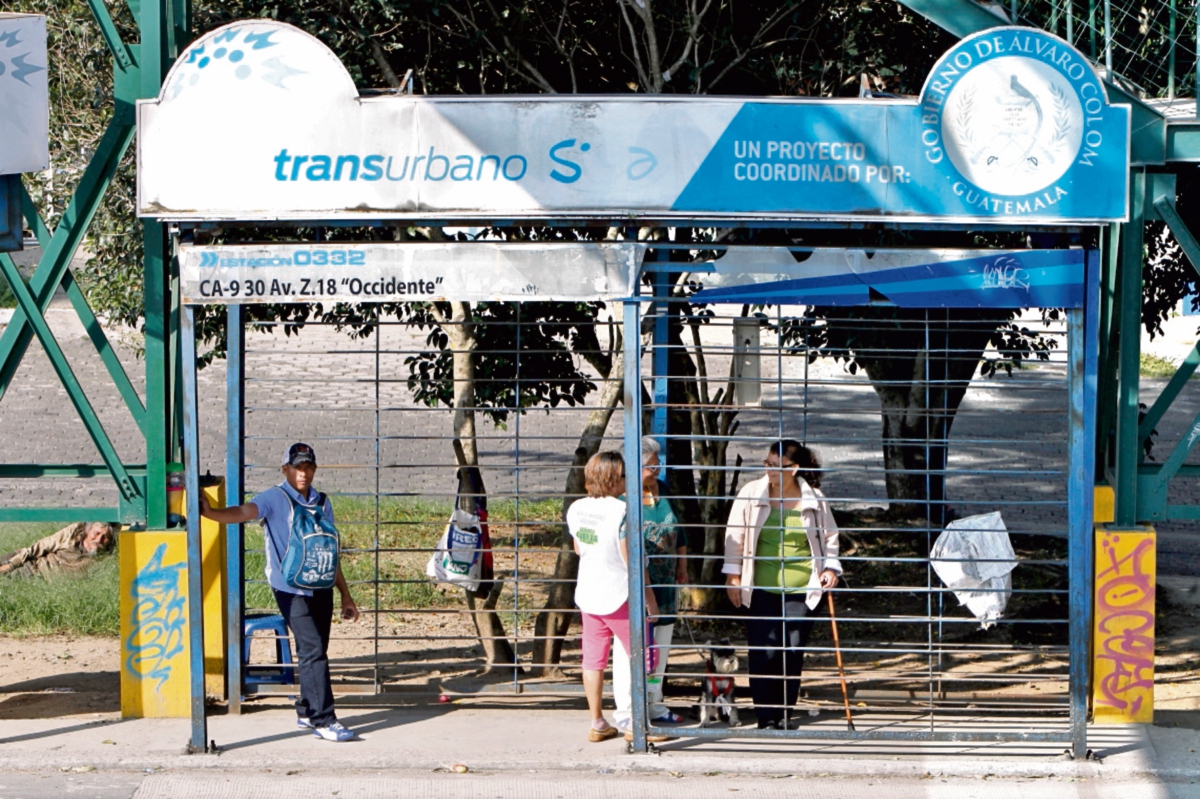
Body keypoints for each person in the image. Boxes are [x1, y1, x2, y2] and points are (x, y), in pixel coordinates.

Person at [199, 442, 360, 742]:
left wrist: (345, 595)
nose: (304, 473)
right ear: (285, 468)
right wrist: (211, 513)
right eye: (298, 467)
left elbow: (330, 553)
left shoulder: (323, 502)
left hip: (321, 586)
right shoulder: (274, 498)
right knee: (313, 649)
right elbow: (243, 512)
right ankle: (324, 720)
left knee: (315, 651)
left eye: (309, 467)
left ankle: (305, 709)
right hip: (289, 588)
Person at [723, 440, 841, 730]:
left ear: (794, 468)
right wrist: (733, 576)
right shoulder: (751, 494)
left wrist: (830, 567)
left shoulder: (814, 498)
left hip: (802, 588)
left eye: (777, 466)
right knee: (764, 652)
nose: (769, 470)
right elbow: (734, 537)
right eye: (767, 464)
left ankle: (785, 712)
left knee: (792, 650)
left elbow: (830, 538)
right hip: (761, 587)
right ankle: (766, 715)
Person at [568, 450, 662, 743]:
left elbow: (578, 549)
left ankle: (597, 721)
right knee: (643, 654)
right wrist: (650, 600)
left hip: (589, 592)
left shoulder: (577, 508)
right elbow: (632, 562)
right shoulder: (623, 512)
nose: (628, 480)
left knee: (593, 661)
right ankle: (637, 724)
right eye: (623, 475)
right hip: (621, 595)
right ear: (612, 478)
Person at [630, 436, 688, 726]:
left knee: (661, 646)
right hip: (639, 584)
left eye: (658, 465)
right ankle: (634, 708)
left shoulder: (663, 490)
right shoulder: (623, 496)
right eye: (651, 466)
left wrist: (683, 564)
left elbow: (679, 530)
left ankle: (655, 702)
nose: (656, 471)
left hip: (666, 582)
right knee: (640, 645)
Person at [0, 522, 118, 578]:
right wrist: (12, 564)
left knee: (5, 580)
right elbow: (43, 545)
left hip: (37, 573)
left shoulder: (106, 558)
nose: (98, 540)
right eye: (96, 533)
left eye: (104, 537)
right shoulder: (74, 533)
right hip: (30, 557)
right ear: (88, 530)